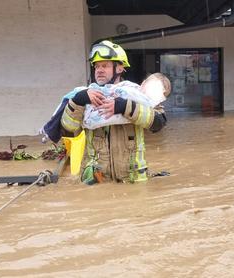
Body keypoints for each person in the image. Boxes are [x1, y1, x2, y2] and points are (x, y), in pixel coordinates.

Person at [60, 40, 169, 184]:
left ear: (119, 68)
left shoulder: (137, 95)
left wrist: (124, 107)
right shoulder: (85, 97)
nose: (99, 70)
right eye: (97, 66)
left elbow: (158, 124)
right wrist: (78, 101)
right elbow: (67, 130)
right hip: (97, 181)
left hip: (133, 181)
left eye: (104, 65)